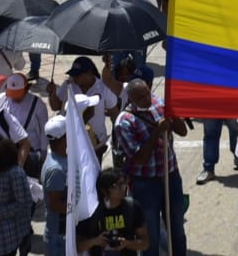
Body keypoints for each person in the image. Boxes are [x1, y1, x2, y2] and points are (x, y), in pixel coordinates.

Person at [114, 78, 188, 256]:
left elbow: (183, 131)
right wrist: (157, 132)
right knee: (150, 234)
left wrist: (173, 115)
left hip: (170, 176)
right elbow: (140, 158)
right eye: (141, 97)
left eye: (147, 92)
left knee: (176, 228)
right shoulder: (124, 122)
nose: (147, 98)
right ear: (131, 99)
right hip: (145, 185)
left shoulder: (159, 103)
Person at [48, 57, 120, 161]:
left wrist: (117, 136)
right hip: (72, 142)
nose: (74, 78)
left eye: (78, 75)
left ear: (89, 73)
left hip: (95, 144)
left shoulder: (103, 88)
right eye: (73, 74)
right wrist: (52, 93)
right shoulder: (69, 84)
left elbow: (114, 113)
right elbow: (56, 106)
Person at [76, 168, 149, 256]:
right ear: (104, 191)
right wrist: (95, 241)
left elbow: (145, 244)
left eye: (124, 183)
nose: (123, 187)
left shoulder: (132, 207)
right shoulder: (92, 211)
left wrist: (127, 243)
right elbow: (78, 246)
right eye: (117, 185)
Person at [40, 114, 69, 256]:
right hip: (59, 238)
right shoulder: (56, 170)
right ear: (64, 138)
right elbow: (56, 205)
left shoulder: (62, 156)